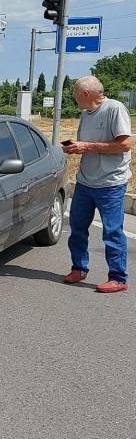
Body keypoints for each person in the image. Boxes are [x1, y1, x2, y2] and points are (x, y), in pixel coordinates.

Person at [63, 76, 132, 293]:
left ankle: (118, 278)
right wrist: (75, 147)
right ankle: (79, 268)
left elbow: (124, 145)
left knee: (112, 232)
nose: (73, 98)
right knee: (77, 228)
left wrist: (87, 146)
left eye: (75, 94)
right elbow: (87, 145)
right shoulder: (85, 114)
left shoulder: (115, 108)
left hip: (110, 183)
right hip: (85, 182)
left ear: (85, 94)